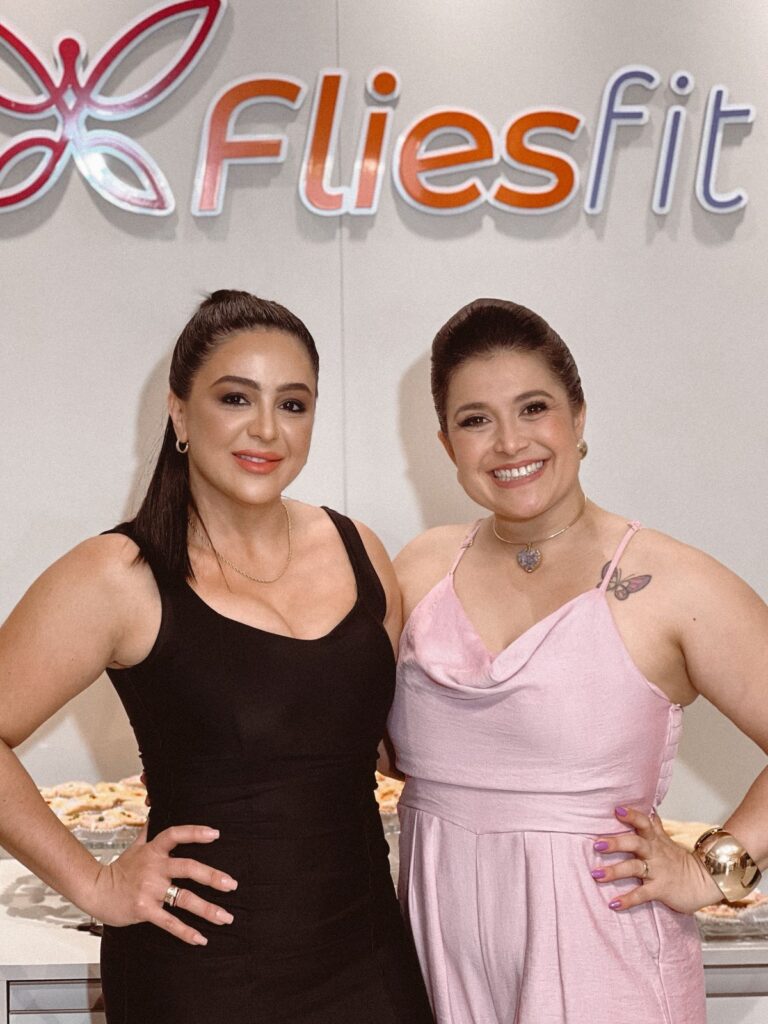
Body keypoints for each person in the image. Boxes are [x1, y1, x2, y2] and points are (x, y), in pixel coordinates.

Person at [0, 290, 434, 1024]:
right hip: (201, 974)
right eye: (236, 398)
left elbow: (391, 747)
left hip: (368, 960)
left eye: (293, 404)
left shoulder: (360, 550)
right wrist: (96, 885)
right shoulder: (119, 575)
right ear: (179, 413)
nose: (266, 428)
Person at [387, 297, 767, 1024]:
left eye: (534, 408)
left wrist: (713, 870)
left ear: (579, 416)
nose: (509, 442)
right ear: (445, 443)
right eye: (475, 420)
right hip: (437, 966)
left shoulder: (668, 582)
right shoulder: (420, 570)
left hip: (606, 966)